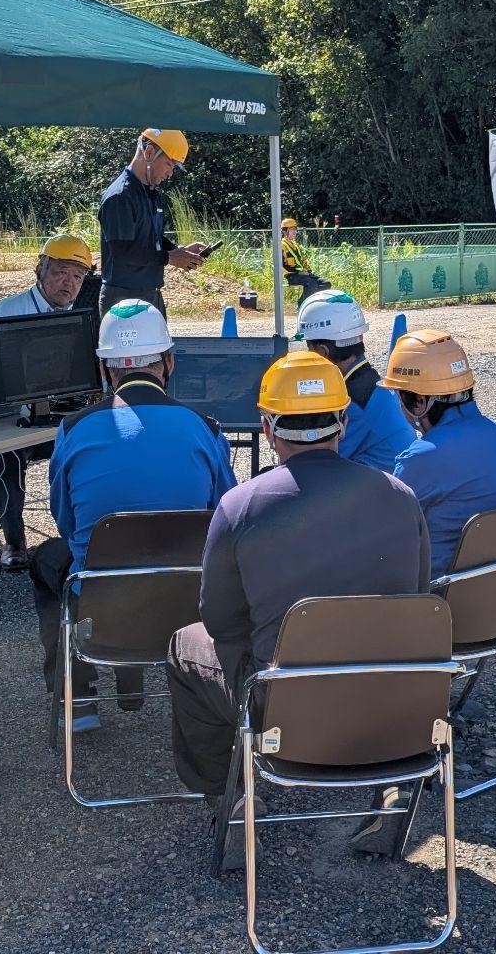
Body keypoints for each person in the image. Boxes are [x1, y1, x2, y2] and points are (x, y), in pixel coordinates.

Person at [164, 351, 430, 864]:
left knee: (185, 644)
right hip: (392, 706)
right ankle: (393, 787)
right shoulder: (399, 496)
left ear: (267, 427)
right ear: (344, 422)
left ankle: (233, 796)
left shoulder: (240, 506)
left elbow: (219, 620)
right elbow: (418, 604)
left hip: (285, 714)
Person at [35, 299, 237, 732]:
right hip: (189, 604)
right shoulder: (205, 427)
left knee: (47, 561)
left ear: (107, 369)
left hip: (103, 605)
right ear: (169, 361)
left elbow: (65, 521)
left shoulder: (73, 428)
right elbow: (227, 518)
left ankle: (79, 701)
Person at [381, 329, 496, 576]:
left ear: (419, 402)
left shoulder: (421, 458)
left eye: (398, 395)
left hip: (443, 599)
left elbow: (383, 531)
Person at [0, 233, 97, 570]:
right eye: (61, 272)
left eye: (77, 276)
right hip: (20, 420)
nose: (69, 283)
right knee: (6, 458)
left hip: (69, 418)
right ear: (40, 270)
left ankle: (87, 537)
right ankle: (14, 543)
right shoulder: (7, 312)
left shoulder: (89, 315)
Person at [295, 289, 416, 474]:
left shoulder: (353, 403)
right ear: (359, 337)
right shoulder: (367, 385)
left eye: (308, 348)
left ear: (322, 352)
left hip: (382, 496)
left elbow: (318, 462)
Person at [97, 128, 209, 313]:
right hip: (122, 300)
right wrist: (169, 258)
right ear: (149, 152)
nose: (170, 172)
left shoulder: (150, 192)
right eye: (169, 164)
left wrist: (178, 251)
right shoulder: (120, 196)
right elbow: (123, 253)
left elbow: (152, 239)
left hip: (151, 295)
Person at [279, 218, 331, 307]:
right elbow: (281, 266)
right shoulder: (281, 246)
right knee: (311, 284)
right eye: (292, 230)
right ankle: (302, 305)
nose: (295, 232)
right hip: (292, 276)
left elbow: (303, 261)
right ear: (285, 231)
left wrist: (309, 271)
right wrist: (298, 272)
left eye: (295, 229)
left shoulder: (296, 245)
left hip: (303, 275)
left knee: (326, 283)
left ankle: (312, 303)